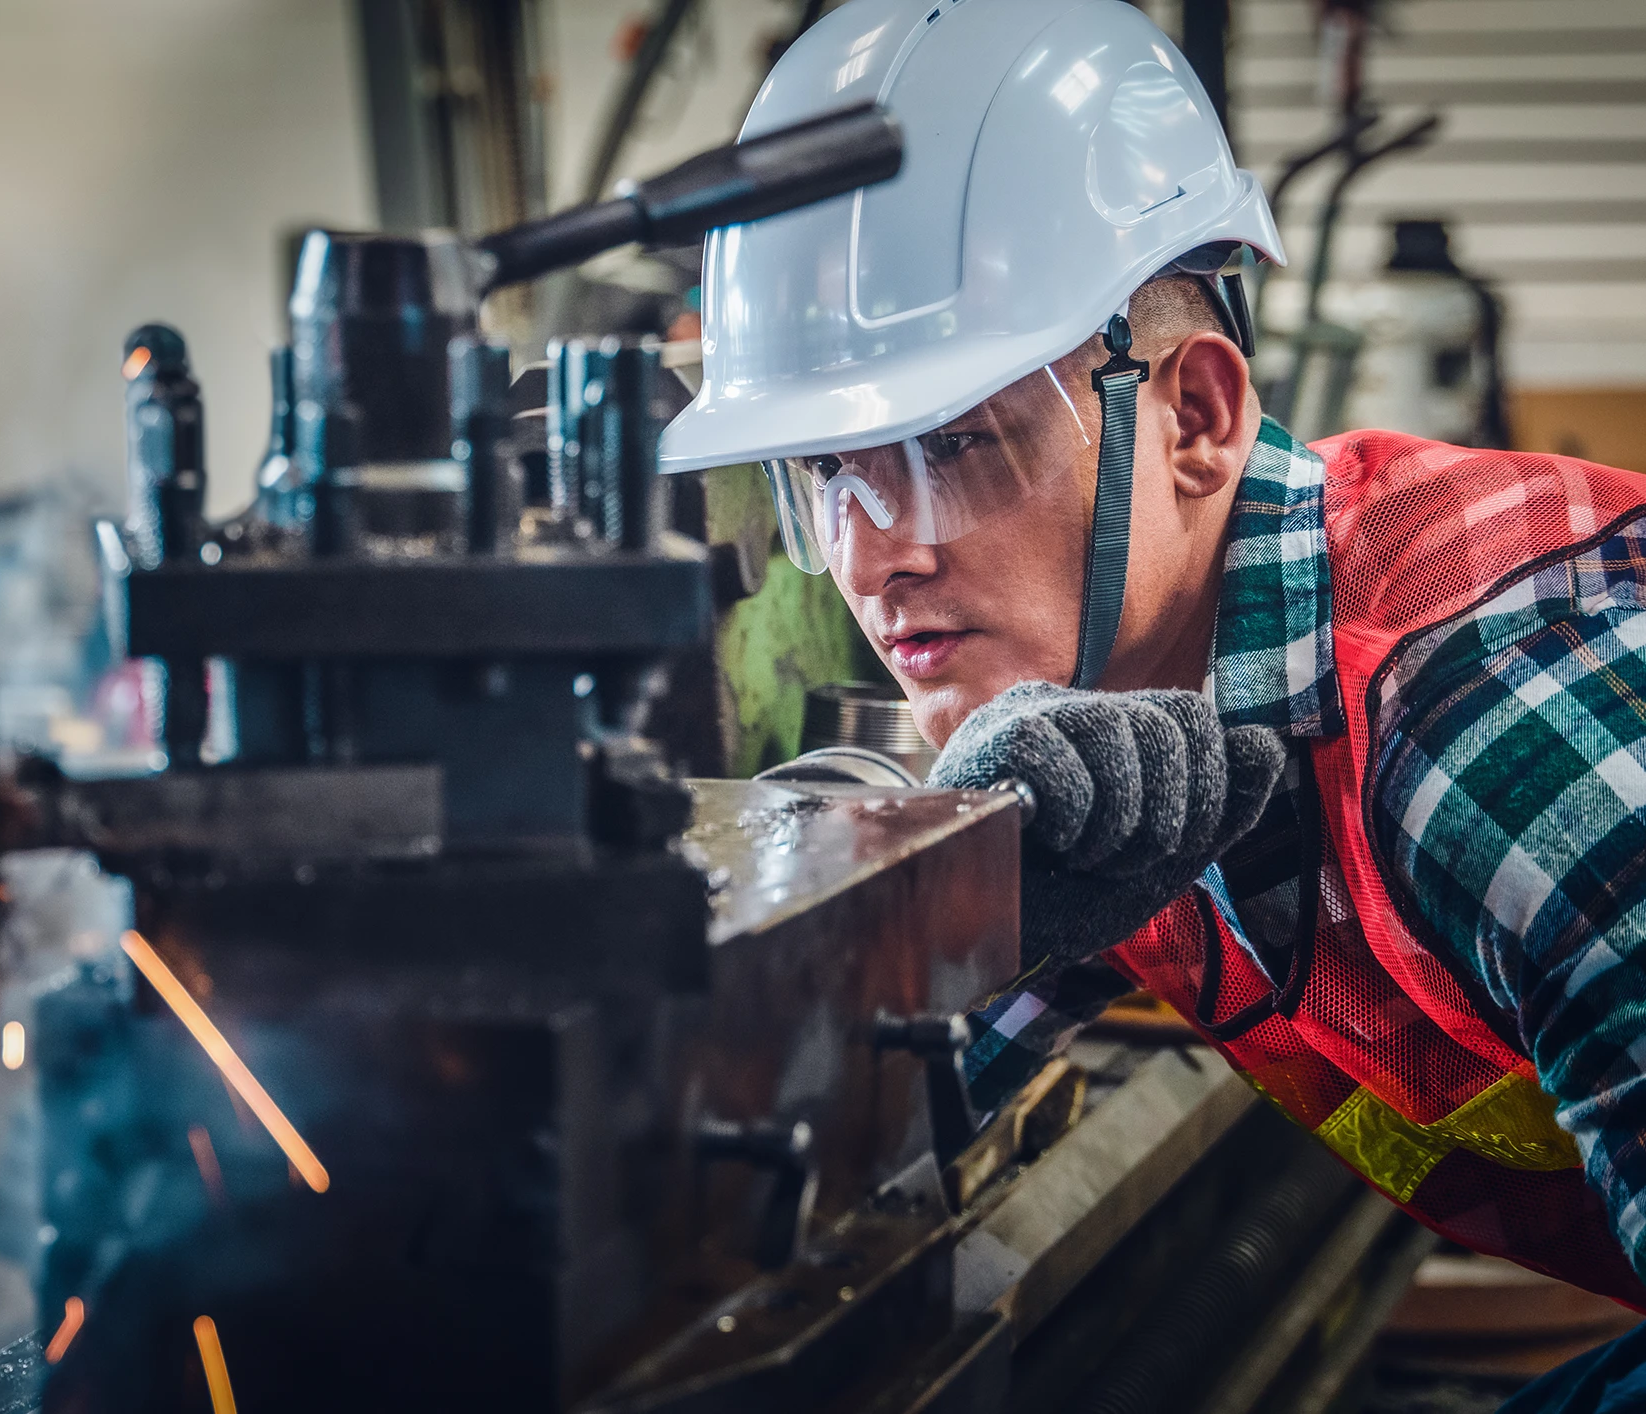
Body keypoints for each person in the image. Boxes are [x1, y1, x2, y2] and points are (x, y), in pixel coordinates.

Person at [658, 0, 1646, 1406]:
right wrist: (957, 927)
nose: (880, 553)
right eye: (827, 475)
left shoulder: (1476, 721)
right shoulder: (1133, 718)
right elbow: (821, 1161)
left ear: (1194, 416)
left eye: (954, 444)